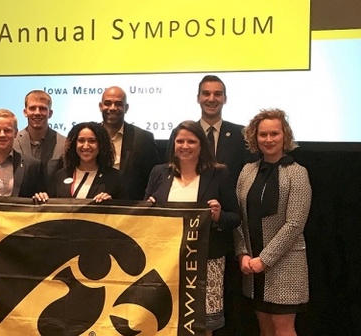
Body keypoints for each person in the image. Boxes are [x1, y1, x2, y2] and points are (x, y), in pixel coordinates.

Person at [145, 120, 241, 335]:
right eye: (180, 141)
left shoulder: (219, 173)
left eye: (191, 141)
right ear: (173, 144)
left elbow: (235, 218)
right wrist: (148, 208)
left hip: (207, 260)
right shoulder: (159, 172)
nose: (185, 146)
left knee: (204, 324)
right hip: (166, 260)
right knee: (166, 320)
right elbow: (146, 217)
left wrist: (218, 217)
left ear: (202, 145)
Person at [234, 109, 312, 336]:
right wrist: (243, 254)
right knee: (264, 328)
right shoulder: (247, 171)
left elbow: (295, 224)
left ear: (285, 136)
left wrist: (264, 260)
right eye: (263, 135)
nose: (268, 140)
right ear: (255, 138)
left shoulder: (297, 173)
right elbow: (239, 217)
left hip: (284, 266)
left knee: (283, 330)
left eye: (274, 134)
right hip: (253, 267)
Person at [99, 86, 159, 200]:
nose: (112, 108)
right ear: (100, 106)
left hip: (130, 210)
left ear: (126, 108)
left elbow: (153, 178)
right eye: (107, 103)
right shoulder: (89, 137)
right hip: (92, 206)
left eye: (118, 104)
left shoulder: (144, 139)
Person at [54, 122, 127, 202]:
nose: (86, 146)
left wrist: (111, 203)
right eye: (81, 141)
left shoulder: (115, 178)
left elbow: (124, 211)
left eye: (92, 141)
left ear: (101, 145)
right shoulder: (61, 175)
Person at [13, 90, 66, 196]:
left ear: (50, 113)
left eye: (42, 108)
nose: (37, 112)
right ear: (25, 112)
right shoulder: (13, 142)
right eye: (32, 108)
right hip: (20, 206)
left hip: (51, 207)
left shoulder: (64, 143)